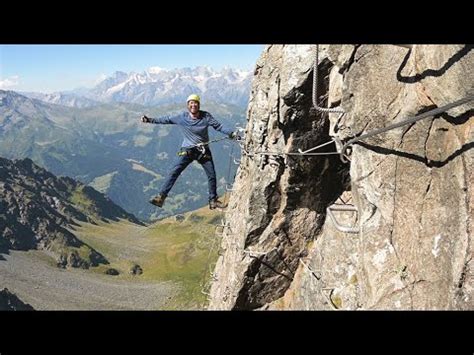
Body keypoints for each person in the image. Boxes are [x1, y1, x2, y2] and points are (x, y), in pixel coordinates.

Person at [141, 94, 239, 209]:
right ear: (188, 105)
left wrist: (230, 133)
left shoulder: (206, 116)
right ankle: (161, 197)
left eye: (195, 103)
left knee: (211, 175)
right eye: (191, 103)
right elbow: (166, 119)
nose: (193, 105)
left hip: (203, 151)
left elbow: (219, 127)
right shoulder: (182, 117)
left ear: (199, 105)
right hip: (187, 150)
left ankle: (213, 201)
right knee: (174, 171)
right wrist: (149, 120)